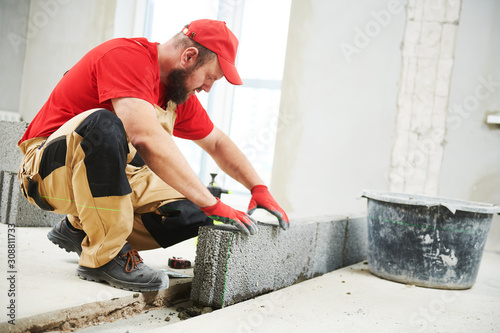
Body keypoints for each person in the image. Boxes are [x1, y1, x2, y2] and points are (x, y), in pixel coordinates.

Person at [17, 19, 289, 292]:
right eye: (209, 77)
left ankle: (80, 228)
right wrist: (211, 203)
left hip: (102, 180)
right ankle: (104, 257)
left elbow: (216, 142)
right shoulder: (125, 57)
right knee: (104, 126)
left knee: (191, 213)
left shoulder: (175, 95)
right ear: (189, 56)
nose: (207, 88)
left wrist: (258, 187)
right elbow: (144, 135)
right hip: (46, 173)